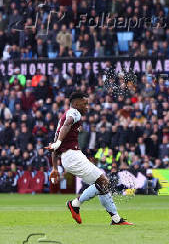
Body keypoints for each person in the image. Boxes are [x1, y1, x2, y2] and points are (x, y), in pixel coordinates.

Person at [47, 92, 133, 225]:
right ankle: (75, 204)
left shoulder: (64, 117)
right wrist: (58, 144)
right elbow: (67, 125)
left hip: (71, 157)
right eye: (85, 103)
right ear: (76, 104)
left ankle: (116, 219)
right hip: (72, 156)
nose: (87, 106)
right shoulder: (74, 113)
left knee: (102, 184)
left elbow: (54, 144)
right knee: (103, 181)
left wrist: (54, 167)